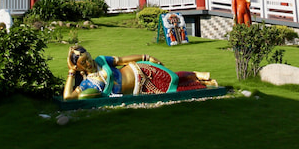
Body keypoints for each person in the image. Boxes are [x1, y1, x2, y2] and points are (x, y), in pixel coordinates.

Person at [62, 45, 217, 100]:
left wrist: (145, 57)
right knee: (172, 89)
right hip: (140, 88)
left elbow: (121, 60)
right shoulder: (88, 83)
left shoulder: (102, 60)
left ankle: (195, 74)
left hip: (141, 70)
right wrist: (70, 72)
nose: (88, 63)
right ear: (79, 67)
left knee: (173, 77)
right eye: (83, 63)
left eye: (87, 57)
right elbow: (68, 97)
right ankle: (204, 84)